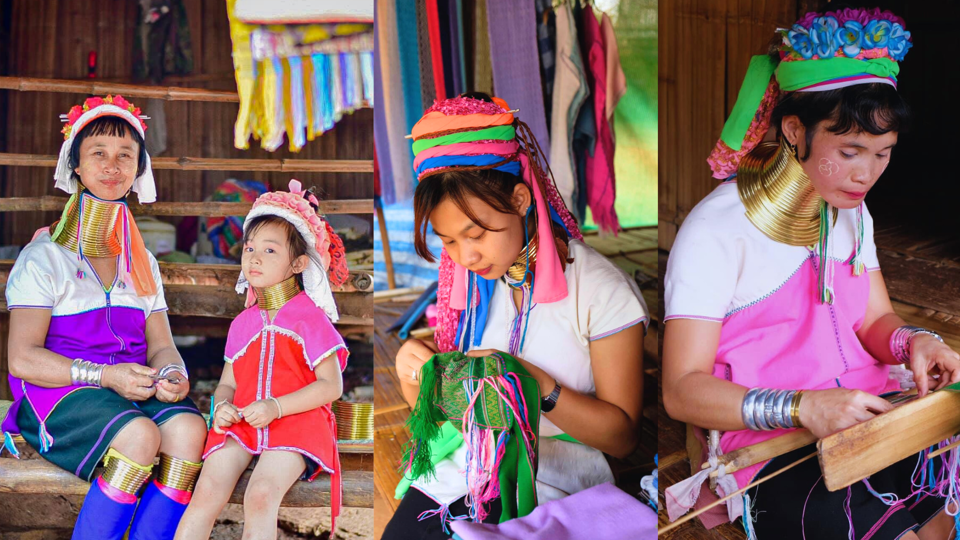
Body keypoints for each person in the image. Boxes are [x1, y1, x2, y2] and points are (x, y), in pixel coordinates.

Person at [662, 9, 960, 539]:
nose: (866, 173)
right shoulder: (714, 230)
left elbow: (874, 318)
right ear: (794, 129)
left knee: (944, 515)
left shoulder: (852, 211)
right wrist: (802, 406)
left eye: (883, 154)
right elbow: (682, 391)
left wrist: (916, 341)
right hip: (773, 445)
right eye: (849, 152)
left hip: (871, 413)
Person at [383, 93, 648, 539]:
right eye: (448, 241)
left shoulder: (602, 291)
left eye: (477, 233)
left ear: (521, 199)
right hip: (458, 474)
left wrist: (533, 382)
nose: (465, 256)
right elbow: (449, 420)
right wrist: (418, 376)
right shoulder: (472, 286)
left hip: (552, 487)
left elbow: (622, 438)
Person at [0, 95, 207, 540]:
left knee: (190, 428)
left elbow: (162, 344)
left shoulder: (142, 259)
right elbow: (21, 360)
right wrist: (106, 376)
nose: (113, 166)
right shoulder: (45, 257)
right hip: (58, 393)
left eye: (125, 156)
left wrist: (173, 371)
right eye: (99, 153)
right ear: (75, 165)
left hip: (128, 387)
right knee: (139, 436)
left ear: (138, 170)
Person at [175, 180, 350, 540]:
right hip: (244, 420)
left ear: (299, 263)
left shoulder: (310, 319)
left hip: (297, 421)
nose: (253, 257)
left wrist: (276, 406)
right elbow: (227, 383)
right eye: (249, 247)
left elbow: (332, 386)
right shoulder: (243, 323)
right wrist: (221, 407)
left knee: (260, 495)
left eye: (269, 251)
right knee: (206, 490)